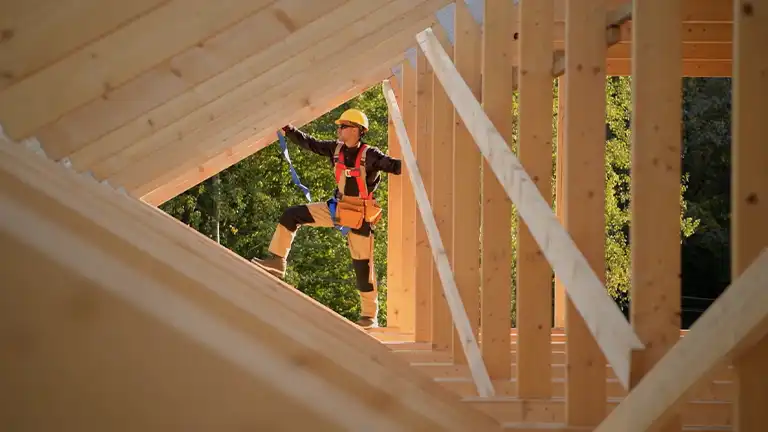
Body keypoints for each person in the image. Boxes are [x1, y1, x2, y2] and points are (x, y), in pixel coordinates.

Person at [252, 108, 402, 328]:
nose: (339, 130)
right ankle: (277, 262)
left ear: (358, 130)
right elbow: (309, 143)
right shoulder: (335, 149)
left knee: (363, 268)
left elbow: (396, 166)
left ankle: (369, 317)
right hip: (338, 209)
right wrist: (287, 129)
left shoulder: (371, 155)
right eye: (339, 126)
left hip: (360, 216)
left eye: (343, 126)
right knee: (292, 215)